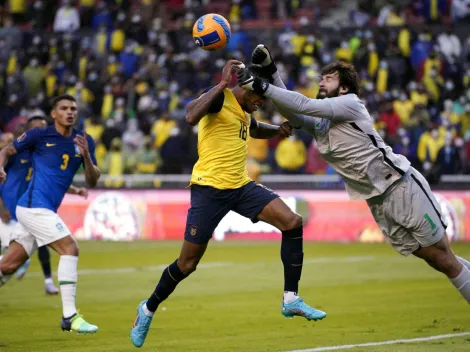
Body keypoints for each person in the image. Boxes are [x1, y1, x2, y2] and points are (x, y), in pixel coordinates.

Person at [238, 45, 470, 307]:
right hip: (377, 202)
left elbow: (303, 103)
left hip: (400, 186)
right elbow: (295, 113)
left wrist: (261, 85)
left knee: (446, 259)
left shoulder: (350, 104)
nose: (322, 81)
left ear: (344, 88)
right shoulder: (323, 124)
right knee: (438, 260)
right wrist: (271, 73)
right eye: (321, 78)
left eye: (329, 79)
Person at [130, 60, 326, 348]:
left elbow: (255, 128)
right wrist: (221, 84)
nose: (261, 103)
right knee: (187, 264)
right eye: (261, 97)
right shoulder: (220, 97)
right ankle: (147, 309)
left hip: (240, 187)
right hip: (208, 190)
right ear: (247, 89)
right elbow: (189, 116)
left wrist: (278, 130)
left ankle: (291, 299)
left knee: (292, 222)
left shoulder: (244, 113)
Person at [0, 94, 100, 333]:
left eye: (73, 108)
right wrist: (1, 168)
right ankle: (69, 316)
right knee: (70, 248)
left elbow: (93, 180)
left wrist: (86, 156)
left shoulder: (85, 141)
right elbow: (6, 150)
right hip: (34, 207)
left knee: (8, 265)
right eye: (64, 108)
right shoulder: (39, 136)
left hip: (40, 210)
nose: (70, 112)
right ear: (54, 114)